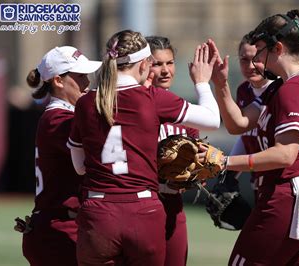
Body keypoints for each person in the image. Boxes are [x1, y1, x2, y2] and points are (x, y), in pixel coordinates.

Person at [67, 29, 221, 265]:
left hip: (98, 211)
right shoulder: (151, 98)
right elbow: (213, 119)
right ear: (143, 64)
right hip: (143, 210)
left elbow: (79, 167)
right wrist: (201, 83)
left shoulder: (86, 102)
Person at [208, 9, 299, 265]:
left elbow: (285, 154)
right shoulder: (281, 87)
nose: (255, 61)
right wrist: (220, 85)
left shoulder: (294, 90)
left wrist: (225, 163)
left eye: (260, 50)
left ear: (277, 47)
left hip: (287, 198)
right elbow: (238, 124)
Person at [20, 46, 101, 266]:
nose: (87, 82)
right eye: (80, 76)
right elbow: (100, 152)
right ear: (58, 81)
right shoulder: (57, 119)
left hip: (64, 228)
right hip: (58, 231)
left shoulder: (63, 115)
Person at [144, 35, 198, 266]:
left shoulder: (184, 112)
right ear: (143, 66)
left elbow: (197, 157)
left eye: (170, 62)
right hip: (142, 205)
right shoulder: (131, 108)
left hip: (173, 208)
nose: (165, 70)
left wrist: (195, 174)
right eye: (157, 64)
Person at [224, 32, 273, 203]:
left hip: (280, 181)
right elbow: (246, 134)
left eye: (257, 59)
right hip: (257, 180)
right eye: (244, 59)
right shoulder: (244, 90)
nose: (251, 66)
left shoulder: (280, 89)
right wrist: (230, 176)